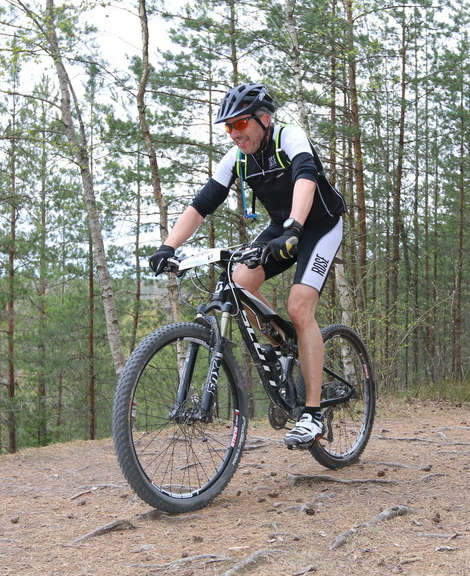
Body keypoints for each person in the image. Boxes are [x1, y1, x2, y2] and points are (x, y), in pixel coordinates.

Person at [147, 83, 346, 447]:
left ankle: (313, 414)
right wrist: (168, 246)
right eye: (228, 127)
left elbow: (306, 178)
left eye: (240, 124)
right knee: (239, 280)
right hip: (281, 228)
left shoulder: (290, 136)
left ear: (264, 119)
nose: (235, 133)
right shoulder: (237, 158)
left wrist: (297, 228)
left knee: (299, 306)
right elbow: (201, 205)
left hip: (318, 224)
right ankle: (281, 344)